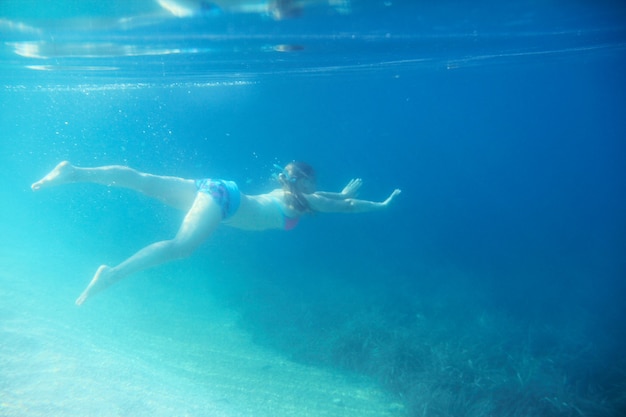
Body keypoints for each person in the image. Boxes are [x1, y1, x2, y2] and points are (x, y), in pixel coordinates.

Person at [31, 161, 401, 306]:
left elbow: (332, 200)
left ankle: (74, 171)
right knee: (181, 248)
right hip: (224, 202)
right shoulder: (307, 200)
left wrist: (342, 195)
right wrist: (381, 206)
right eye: (312, 180)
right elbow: (345, 207)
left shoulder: (296, 194)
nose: (316, 186)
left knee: (145, 182)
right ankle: (110, 276)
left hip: (218, 188)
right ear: (300, 181)